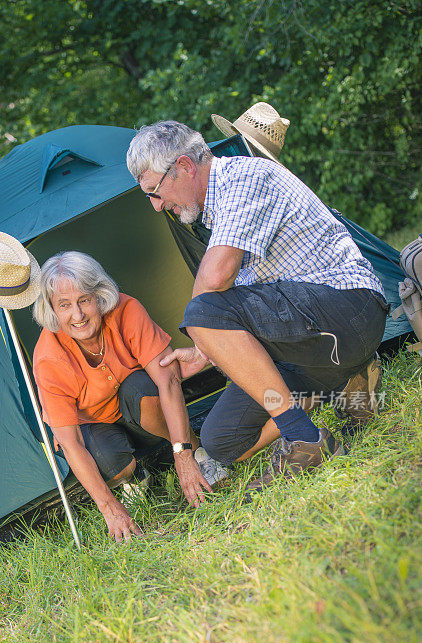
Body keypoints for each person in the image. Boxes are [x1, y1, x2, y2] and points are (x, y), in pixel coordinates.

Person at [126, 121, 389, 495]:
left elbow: (214, 283)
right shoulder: (216, 214)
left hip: (350, 311)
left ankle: (305, 438)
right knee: (222, 440)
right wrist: (208, 349)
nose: (156, 206)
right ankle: (348, 379)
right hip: (308, 341)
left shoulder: (245, 179)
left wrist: (204, 337)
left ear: (184, 166)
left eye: (154, 191)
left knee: (201, 311)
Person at [32, 250, 227, 542]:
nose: (78, 315)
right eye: (64, 305)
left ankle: (197, 451)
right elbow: (71, 445)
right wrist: (110, 508)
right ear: (52, 310)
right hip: (97, 426)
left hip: (139, 408)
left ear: (99, 296)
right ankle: (133, 478)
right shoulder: (48, 359)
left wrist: (184, 456)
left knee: (141, 386)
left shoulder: (126, 310)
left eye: (84, 300)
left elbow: (169, 381)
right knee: (103, 459)